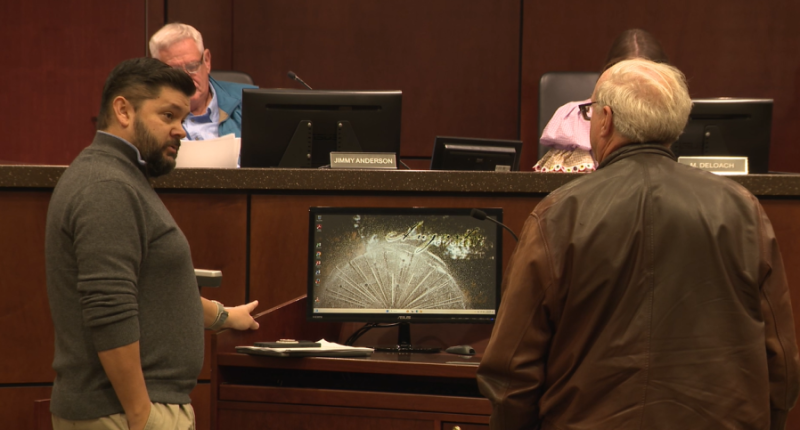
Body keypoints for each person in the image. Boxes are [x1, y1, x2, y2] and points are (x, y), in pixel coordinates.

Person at [478, 59, 800, 429]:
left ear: (606, 119)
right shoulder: (743, 210)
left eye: (589, 110)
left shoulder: (558, 215)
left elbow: (512, 371)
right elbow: (782, 359)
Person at [45, 57, 260, 430]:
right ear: (124, 110)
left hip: (131, 411)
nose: (181, 131)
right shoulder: (107, 187)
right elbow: (109, 307)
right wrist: (142, 415)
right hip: (122, 414)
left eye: (183, 119)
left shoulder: (121, 177)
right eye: (168, 116)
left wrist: (223, 316)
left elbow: (154, 288)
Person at [535, 28, 669, 172]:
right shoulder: (575, 118)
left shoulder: (675, 118)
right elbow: (567, 189)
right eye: (626, 77)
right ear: (607, 74)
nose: (634, 88)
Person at [149, 22, 257, 140]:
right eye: (175, 71)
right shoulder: (147, 115)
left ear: (206, 61)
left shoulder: (252, 103)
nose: (186, 78)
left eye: (192, 66)